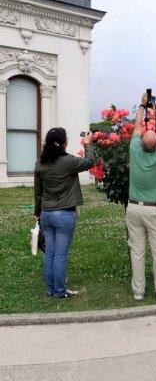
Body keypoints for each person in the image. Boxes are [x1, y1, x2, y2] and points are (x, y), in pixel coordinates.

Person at [34, 127, 95, 298]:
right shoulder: (68, 161)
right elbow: (90, 161)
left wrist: (37, 212)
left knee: (50, 252)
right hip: (64, 214)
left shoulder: (40, 163)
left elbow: (38, 192)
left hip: (46, 213)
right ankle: (59, 291)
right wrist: (88, 144)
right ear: (63, 143)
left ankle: (50, 289)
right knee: (60, 253)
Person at [126, 93, 156, 303]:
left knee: (137, 251)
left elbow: (136, 126)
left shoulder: (135, 151)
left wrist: (143, 107)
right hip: (155, 210)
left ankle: (138, 291)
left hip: (134, 208)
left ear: (141, 144)